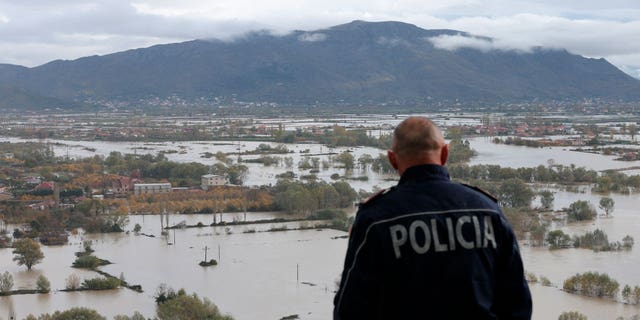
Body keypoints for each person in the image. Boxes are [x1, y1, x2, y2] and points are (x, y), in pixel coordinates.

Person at [334, 116, 532, 319]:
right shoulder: (488, 211)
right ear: (445, 153)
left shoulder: (375, 219)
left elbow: (350, 310)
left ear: (392, 160)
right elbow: (518, 305)